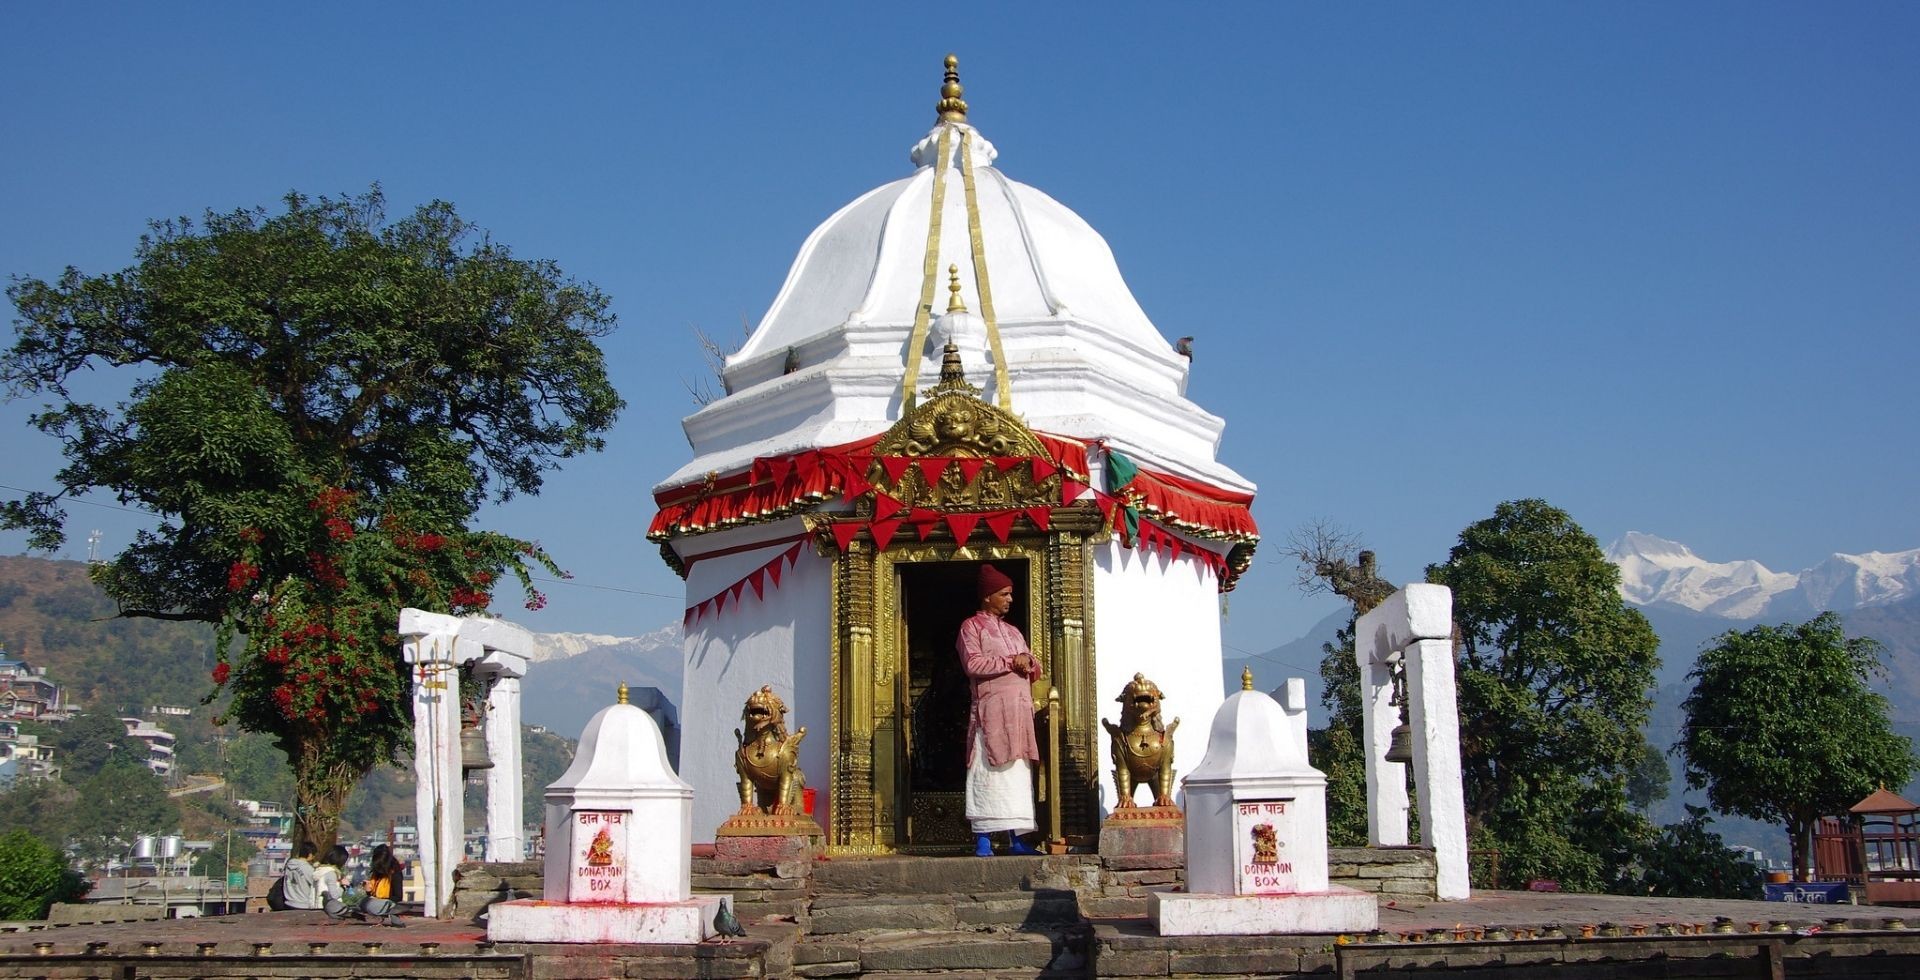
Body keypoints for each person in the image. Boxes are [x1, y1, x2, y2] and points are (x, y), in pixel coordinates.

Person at [957, 563, 1043, 857]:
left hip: (1018, 716)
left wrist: (1027, 662)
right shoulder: (971, 627)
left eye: (1010, 594)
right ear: (987, 597)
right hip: (990, 715)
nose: (1010, 599)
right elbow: (973, 664)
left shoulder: (1014, 631)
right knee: (987, 772)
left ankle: (1016, 839)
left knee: (1016, 776)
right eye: (1004, 594)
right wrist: (1011, 662)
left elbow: (1034, 665)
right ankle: (983, 839)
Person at [355, 843, 406, 927]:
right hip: (376, 902)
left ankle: (391, 915)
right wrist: (368, 890)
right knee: (363, 902)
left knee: (369, 904)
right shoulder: (377, 873)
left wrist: (380, 899)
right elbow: (372, 894)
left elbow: (398, 896)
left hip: (388, 902)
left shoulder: (395, 874)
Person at [278, 842, 323, 910]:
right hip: (303, 904)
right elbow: (318, 884)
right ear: (310, 855)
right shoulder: (308, 869)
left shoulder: (289, 864)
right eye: (314, 855)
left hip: (288, 902)